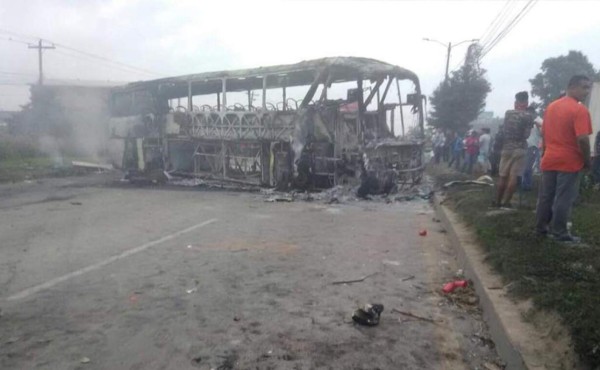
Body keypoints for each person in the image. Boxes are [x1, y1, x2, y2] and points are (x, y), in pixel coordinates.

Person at [535, 75, 593, 242]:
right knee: (563, 198)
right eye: (584, 87)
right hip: (569, 161)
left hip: (550, 158)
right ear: (572, 87)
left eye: (588, 88)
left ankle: (541, 228)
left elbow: (544, 134)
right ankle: (560, 232)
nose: (586, 92)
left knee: (546, 197)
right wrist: (587, 161)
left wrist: (544, 154)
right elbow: (582, 138)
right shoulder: (579, 109)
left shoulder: (551, 107)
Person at [495, 91, 534, 207]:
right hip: (520, 149)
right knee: (513, 177)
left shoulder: (508, 113)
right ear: (526, 103)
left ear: (515, 102)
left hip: (506, 148)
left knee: (503, 176)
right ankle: (506, 202)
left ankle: (497, 201)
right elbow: (527, 135)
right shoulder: (528, 116)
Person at [521, 106, 543, 190]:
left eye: (528, 113)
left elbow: (543, 133)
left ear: (532, 112)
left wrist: (537, 126)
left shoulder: (539, 121)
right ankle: (524, 184)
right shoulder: (527, 121)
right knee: (525, 167)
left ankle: (527, 185)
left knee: (528, 167)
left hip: (534, 146)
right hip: (526, 146)